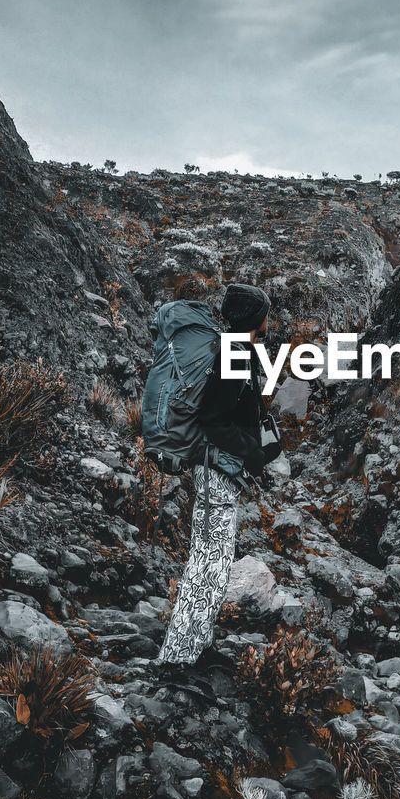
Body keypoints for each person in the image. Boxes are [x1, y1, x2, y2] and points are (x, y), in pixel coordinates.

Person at [156, 282, 281, 670]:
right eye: (265, 314)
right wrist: (254, 452)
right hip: (216, 471)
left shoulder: (236, 349)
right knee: (207, 563)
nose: (268, 321)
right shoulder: (232, 354)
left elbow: (233, 409)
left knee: (216, 560)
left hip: (220, 469)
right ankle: (177, 660)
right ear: (255, 318)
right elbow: (213, 421)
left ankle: (200, 644)